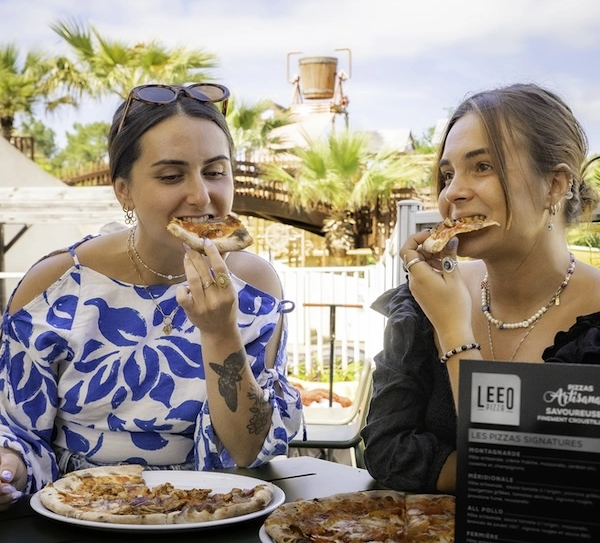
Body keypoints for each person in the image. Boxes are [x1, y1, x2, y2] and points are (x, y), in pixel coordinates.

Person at [0, 82, 303, 506]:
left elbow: (247, 450)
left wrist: (220, 332)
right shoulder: (52, 285)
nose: (201, 196)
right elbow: (17, 430)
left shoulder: (256, 287)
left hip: (213, 510)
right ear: (123, 190)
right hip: (78, 511)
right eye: (171, 176)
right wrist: (8, 468)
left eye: (215, 172)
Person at [362, 83, 600, 494]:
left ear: (555, 186)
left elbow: (560, 487)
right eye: (447, 175)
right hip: (413, 532)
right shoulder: (422, 302)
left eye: (483, 166)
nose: (452, 192)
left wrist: (454, 333)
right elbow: (387, 451)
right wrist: (506, 471)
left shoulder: (592, 327)